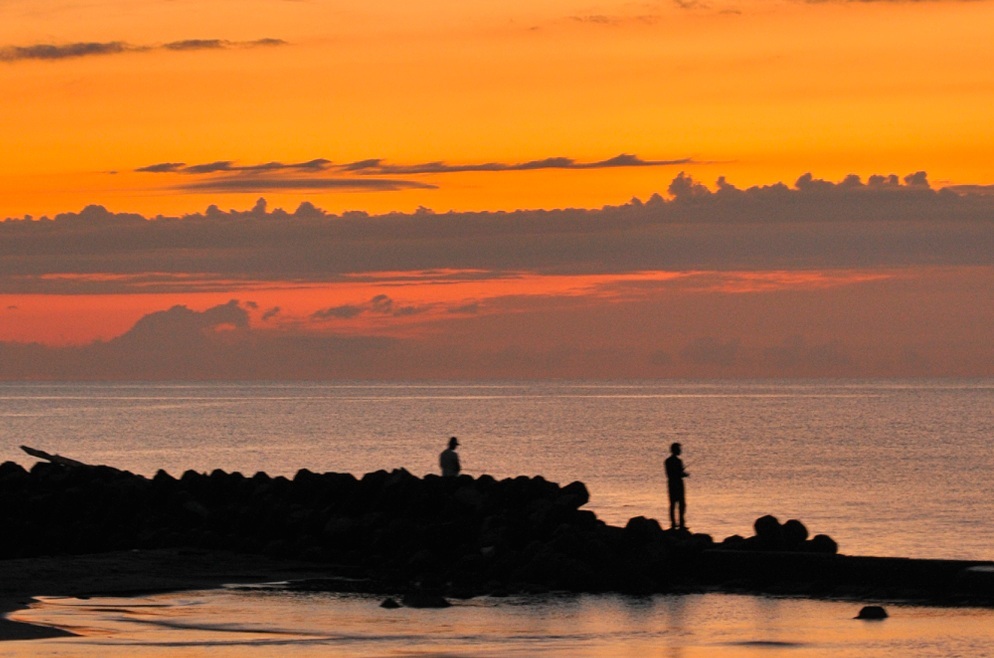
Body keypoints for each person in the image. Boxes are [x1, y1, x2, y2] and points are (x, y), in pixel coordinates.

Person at [664, 441, 689, 530]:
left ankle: (674, 524)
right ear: (675, 450)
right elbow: (679, 473)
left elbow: (669, 474)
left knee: (673, 504)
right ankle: (681, 524)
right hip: (678, 484)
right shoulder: (678, 461)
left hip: (671, 484)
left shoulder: (667, 461)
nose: (680, 450)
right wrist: (685, 474)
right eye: (679, 449)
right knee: (681, 504)